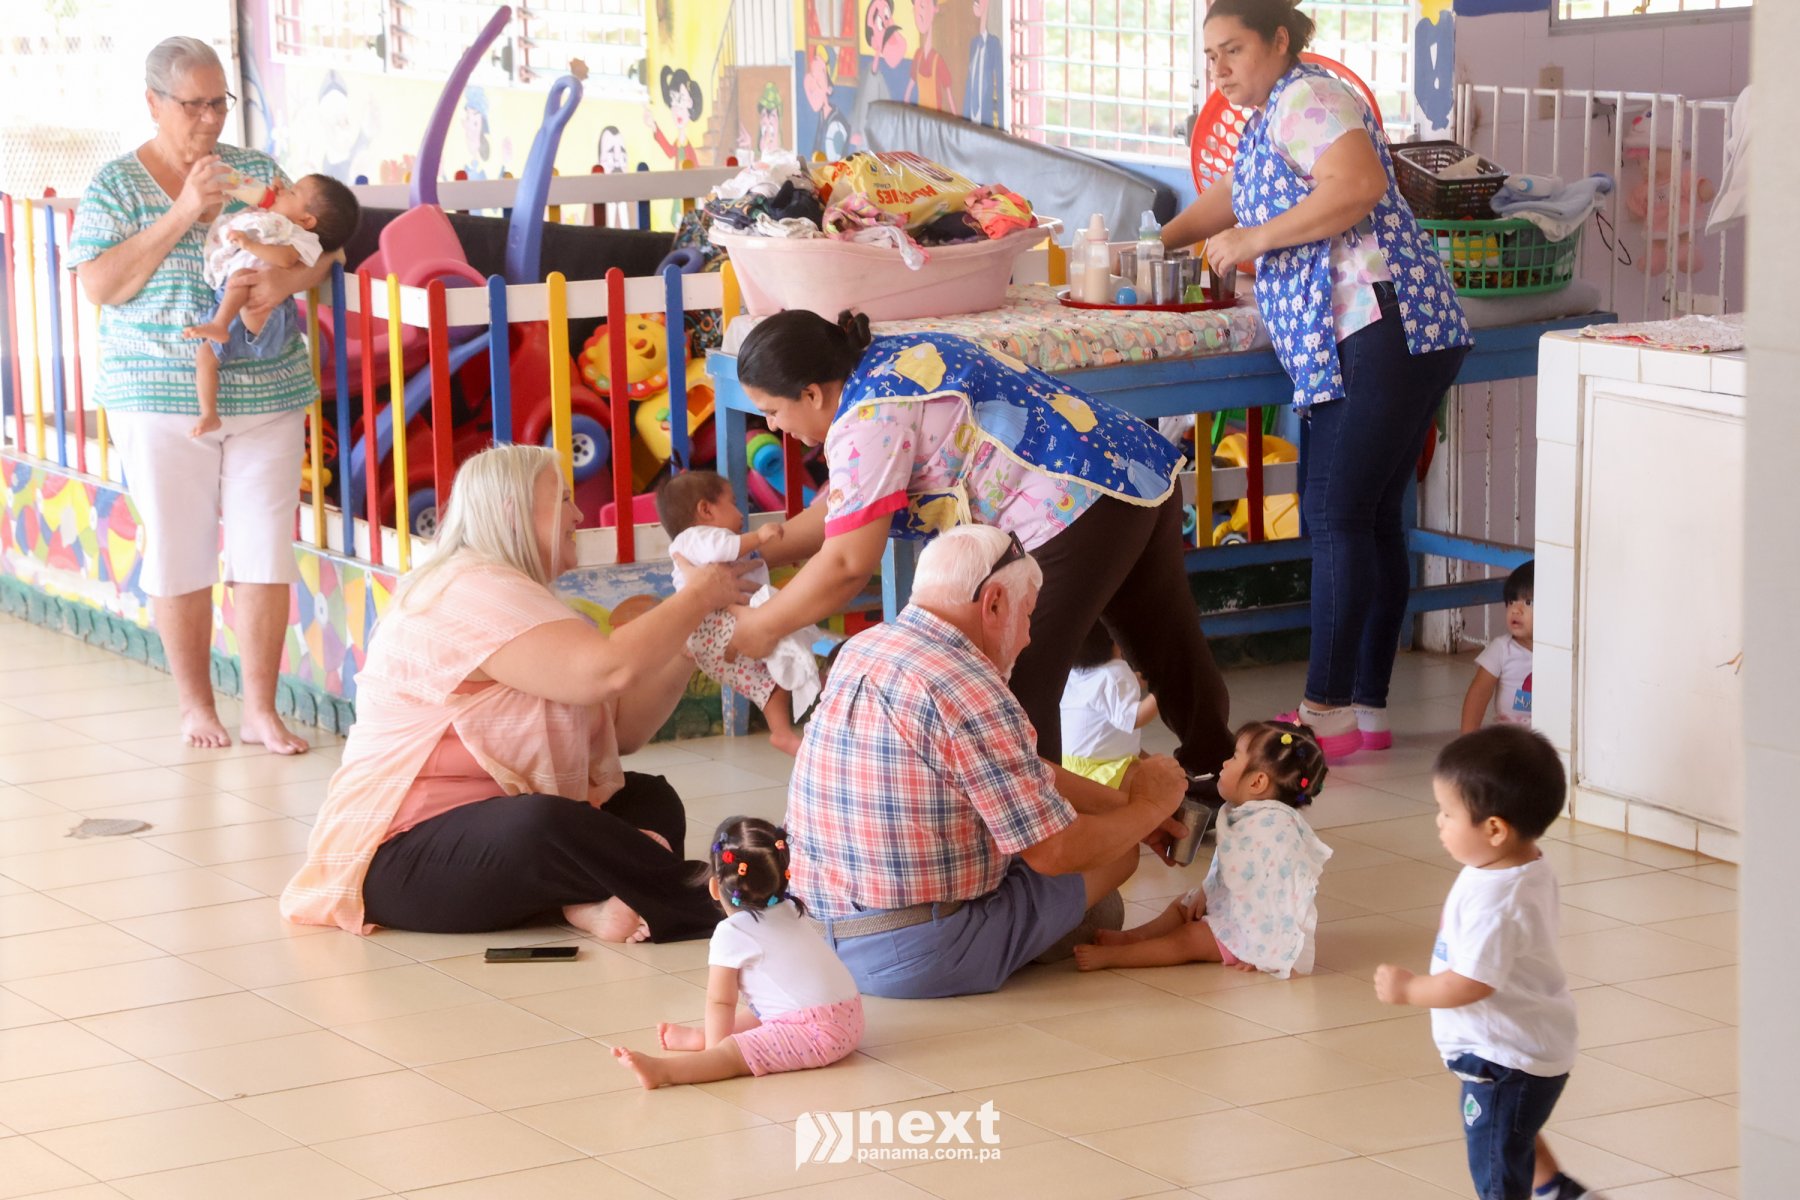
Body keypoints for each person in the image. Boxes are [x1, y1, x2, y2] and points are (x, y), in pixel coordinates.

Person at [727, 311, 1235, 791]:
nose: (772, 427)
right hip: (1130, 469)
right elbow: (847, 511)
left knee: (1016, 690)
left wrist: (762, 626)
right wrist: (751, 553)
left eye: (772, 411)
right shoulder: (889, 361)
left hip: (1069, 511)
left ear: (811, 393)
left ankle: (1041, 838)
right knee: (1169, 645)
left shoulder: (868, 416)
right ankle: (1225, 780)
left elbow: (847, 563)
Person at [1162, 0, 1473, 761]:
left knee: (1336, 515)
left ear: (1279, 39)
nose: (1219, 69)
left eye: (1233, 49)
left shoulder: (1309, 96)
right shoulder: (1273, 113)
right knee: (1369, 518)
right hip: (1393, 329)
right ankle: (1365, 709)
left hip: (1378, 324)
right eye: (1210, 55)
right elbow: (1238, 194)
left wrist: (1253, 242)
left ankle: (1324, 710)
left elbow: (1356, 185)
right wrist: (1161, 238)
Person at [281, 445, 755, 942]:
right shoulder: (468, 588)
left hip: (491, 838)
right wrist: (699, 594)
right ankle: (729, 899)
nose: (579, 515)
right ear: (514, 512)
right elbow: (608, 670)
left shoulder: (518, 594)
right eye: (564, 499)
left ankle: (588, 900)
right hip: (399, 858)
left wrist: (688, 646)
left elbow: (623, 731)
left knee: (648, 799)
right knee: (542, 824)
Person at [70, 36, 339, 755]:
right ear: (154, 103)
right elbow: (99, 285)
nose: (212, 119)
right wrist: (184, 209)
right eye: (194, 105)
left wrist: (285, 280)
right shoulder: (115, 185)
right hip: (157, 390)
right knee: (179, 546)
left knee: (264, 547)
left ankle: (261, 710)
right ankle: (196, 706)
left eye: (220, 102)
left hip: (269, 387)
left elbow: (323, 248)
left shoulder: (260, 172)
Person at [786, 525, 1191, 999]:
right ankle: (1023, 938)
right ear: (994, 603)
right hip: (920, 955)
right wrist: (1148, 808)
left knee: (1093, 850)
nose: (1028, 637)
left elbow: (1020, 771)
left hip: (819, 937)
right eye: (1028, 614)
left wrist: (1122, 807)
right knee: (1114, 857)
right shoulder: (970, 684)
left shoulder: (863, 648)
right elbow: (1055, 851)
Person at [1373, 726, 1589, 1200]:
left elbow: (1472, 982)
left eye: (1447, 813)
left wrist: (1409, 989)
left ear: (1494, 829)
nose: (1438, 822)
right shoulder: (1521, 865)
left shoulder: (1498, 902)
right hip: (1524, 1044)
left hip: (1503, 1057)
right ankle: (1560, 1192)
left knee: (1496, 1157)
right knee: (1514, 1131)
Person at [613, 816, 863, 1089]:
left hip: (817, 1035)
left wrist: (714, 1054)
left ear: (714, 887)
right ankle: (700, 1036)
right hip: (850, 1018)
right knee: (761, 1009)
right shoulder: (792, 909)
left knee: (732, 1054)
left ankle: (663, 1071)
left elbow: (720, 1002)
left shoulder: (731, 932)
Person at [1075, 721, 1330, 978]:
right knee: (1182, 905)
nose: (1225, 763)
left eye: (1234, 757)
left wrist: (1261, 947)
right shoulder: (1248, 814)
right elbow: (1230, 867)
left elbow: (1283, 894)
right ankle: (1133, 938)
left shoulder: (1273, 827)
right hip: (1234, 908)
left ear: (1257, 782)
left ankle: (1114, 957)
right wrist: (1206, 892)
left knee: (1190, 938)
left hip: (1252, 929)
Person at [654, 470, 820, 755]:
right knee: (785, 654)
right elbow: (726, 549)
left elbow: (741, 562)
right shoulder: (699, 537)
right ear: (706, 510)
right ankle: (808, 709)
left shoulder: (699, 542)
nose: (741, 512)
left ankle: (782, 732)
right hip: (716, 625)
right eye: (732, 502)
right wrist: (760, 536)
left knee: (768, 682)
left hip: (714, 631)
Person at [184, 173, 360, 438]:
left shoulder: (299, 237)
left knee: (241, 276)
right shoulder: (275, 220)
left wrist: (249, 244)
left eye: (292, 192)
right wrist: (275, 195)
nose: (283, 190)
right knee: (205, 355)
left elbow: (286, 259)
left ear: (307, 221)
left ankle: (219, 324)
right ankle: (209, 414)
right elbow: (261, 213)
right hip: (235, 302)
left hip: (263, 311)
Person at [1060, 623, 1158, 788]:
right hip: (1103, 770)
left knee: (1151, 762)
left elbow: (1115, 687)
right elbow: (1135, 718)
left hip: (1071, 767)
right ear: (1115, 639)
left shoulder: (1074, 672)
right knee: (1160, 776)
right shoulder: (1114, 673)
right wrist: (1163, 691)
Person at [1462, 560, 1534, 733]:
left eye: (1528, 602)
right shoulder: (1501, 649)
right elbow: (1479, 693)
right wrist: (1468, 739)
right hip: (1509, 735)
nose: (1515, 610)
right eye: (1511, 602)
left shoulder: (1562, 654)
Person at [963, 0, 1003, 127]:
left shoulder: (994, 43)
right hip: (970, 120)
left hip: (987, 120)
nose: (974, 6)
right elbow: (970, 83)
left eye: (977, 2)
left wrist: (1001, 125)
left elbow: (1000, 85)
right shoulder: (973, 44)